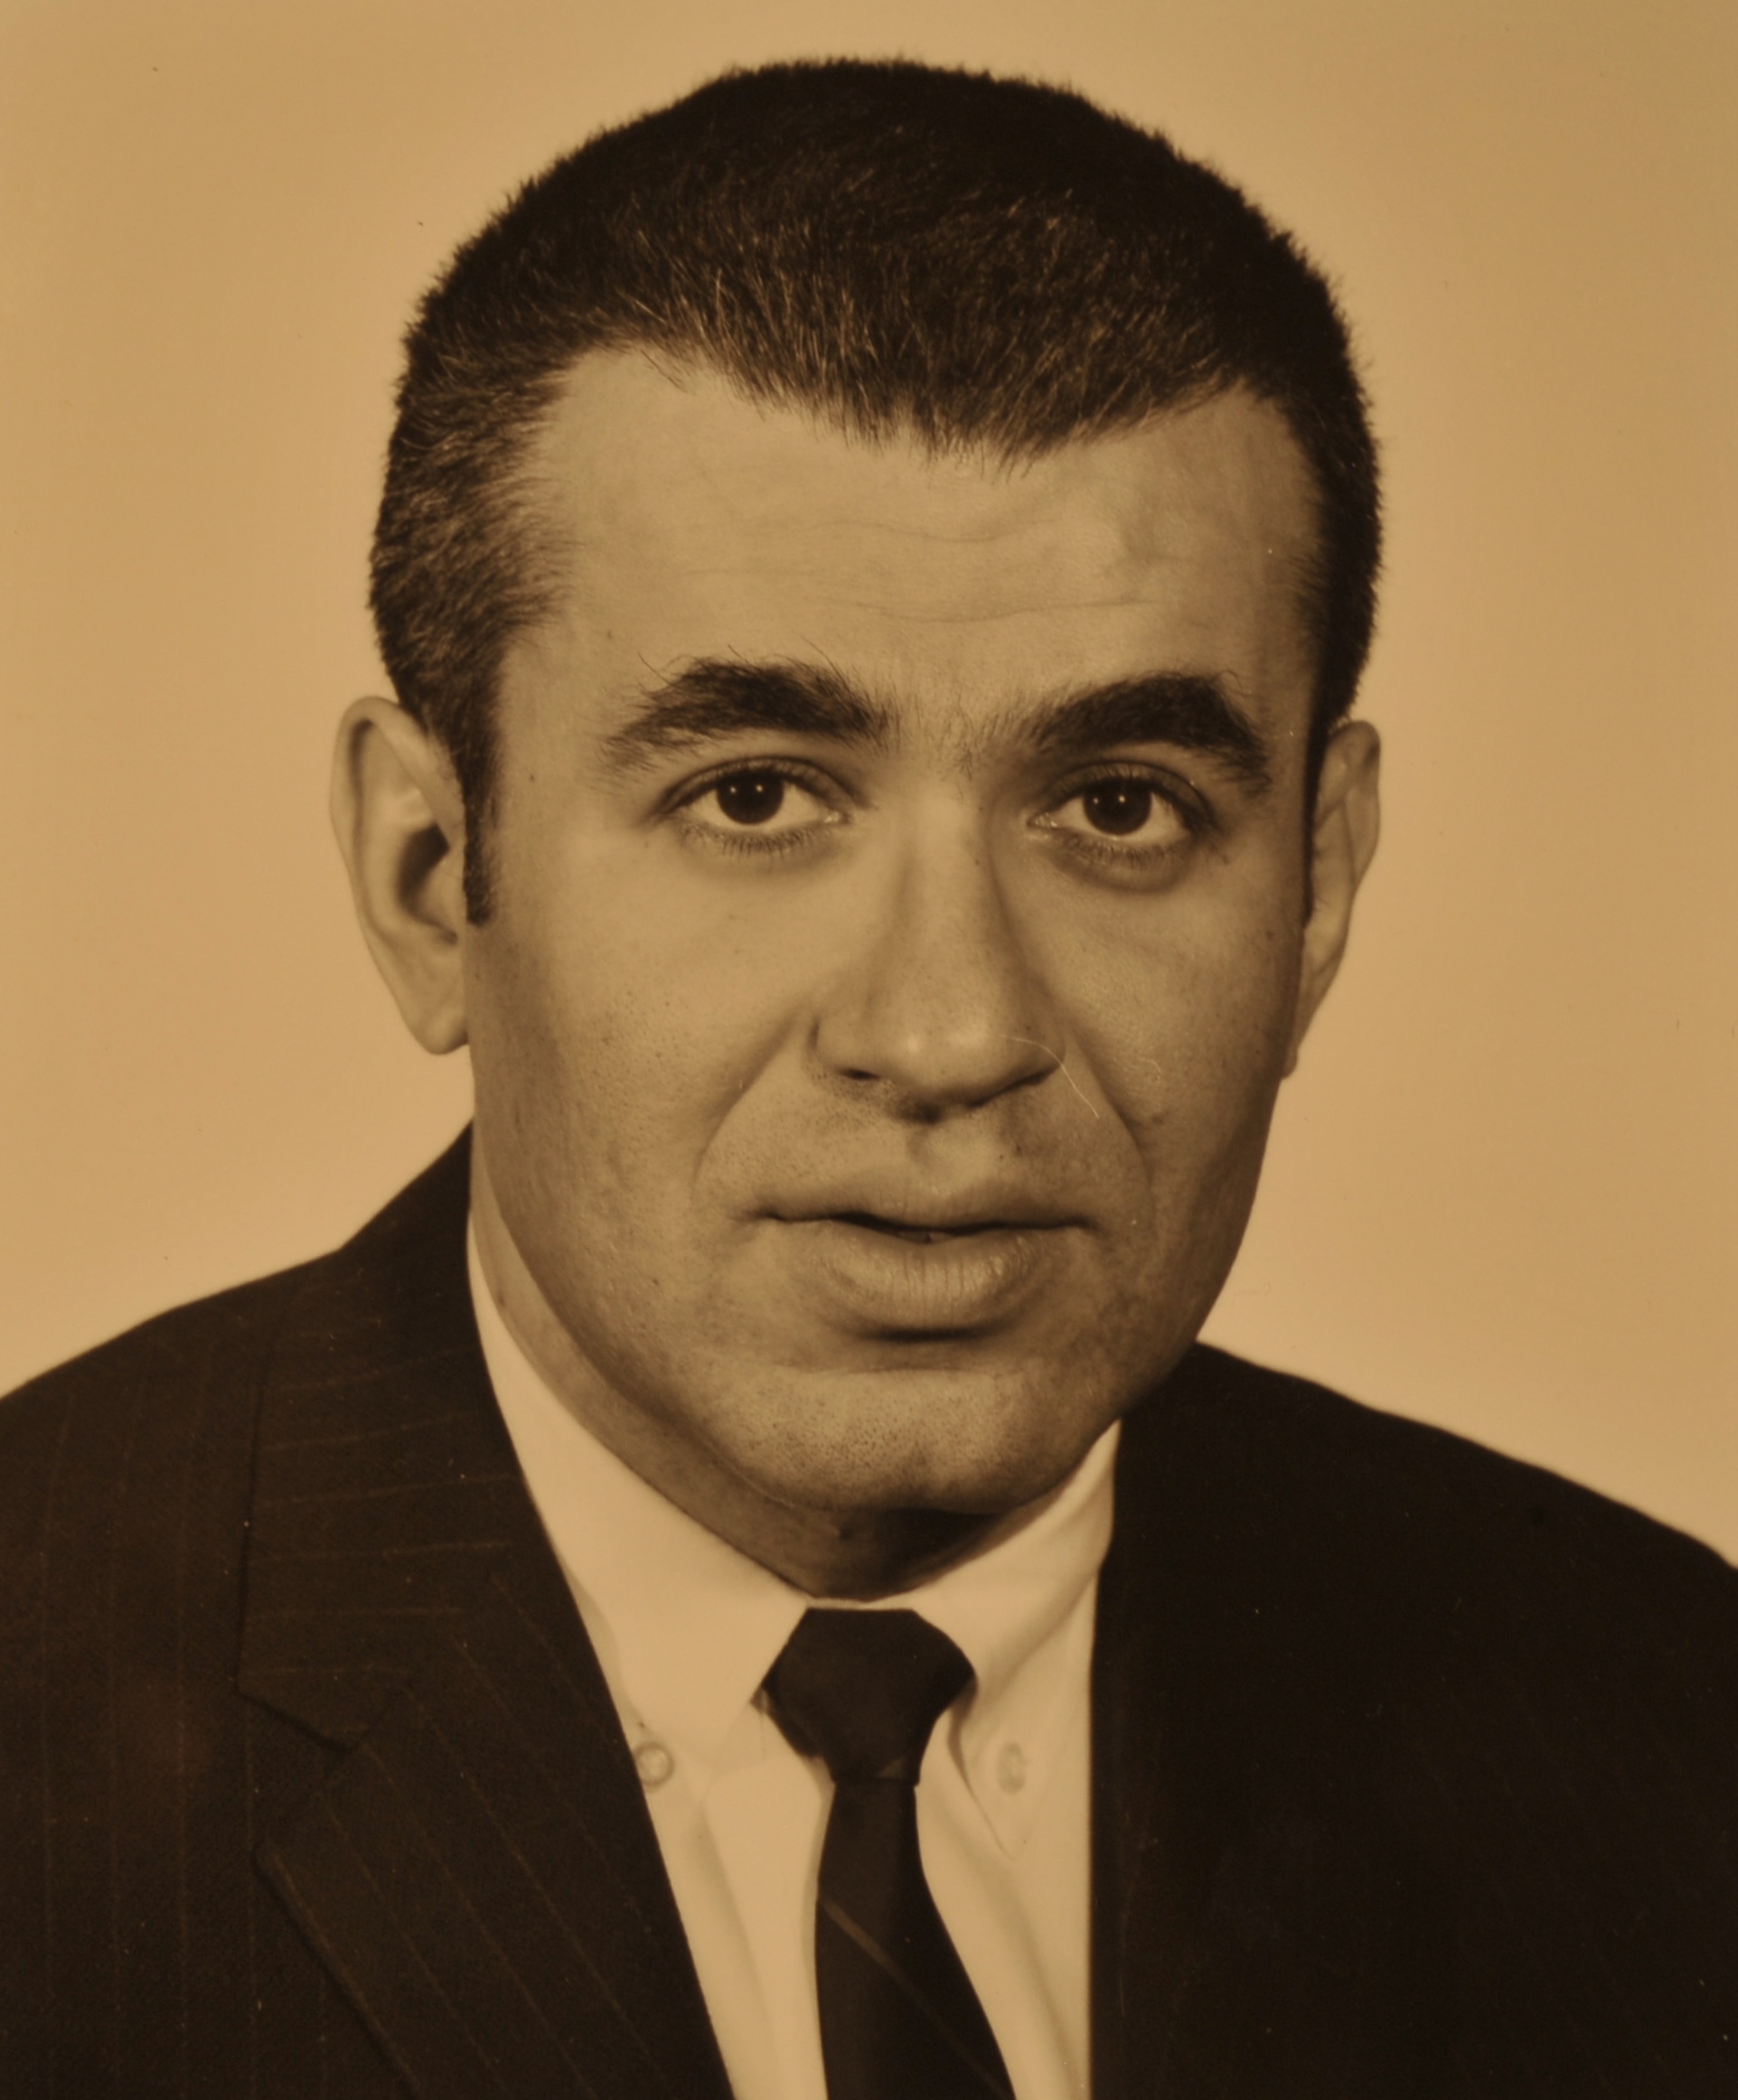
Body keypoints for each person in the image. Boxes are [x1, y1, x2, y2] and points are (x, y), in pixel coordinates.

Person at [1, 56, 1733, 2100]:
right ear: (429, 875)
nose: (949, 1033)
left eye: (1119, 804)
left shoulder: (1659, 1735)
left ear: (1319, 889)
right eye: (753, 796)